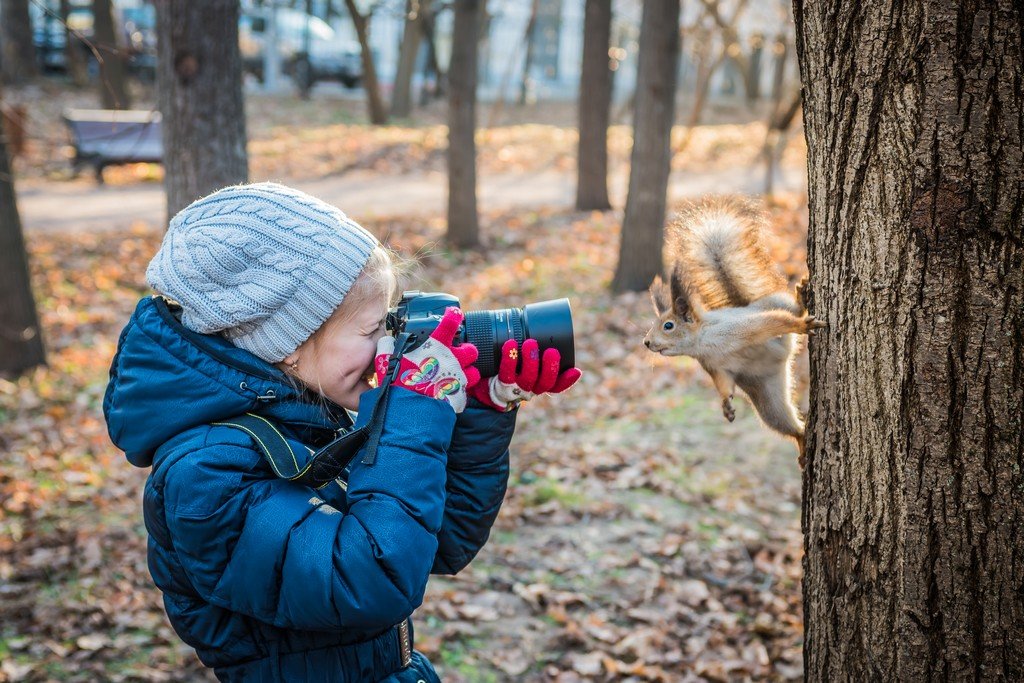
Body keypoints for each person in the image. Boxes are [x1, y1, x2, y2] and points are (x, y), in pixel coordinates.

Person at [102, 182, 581, 682]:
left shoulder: (301, 418)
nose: (387, 349)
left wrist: (482, 407)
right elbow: (371, 578)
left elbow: (438, 542)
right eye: (373, 329)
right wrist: (412, 413)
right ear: (287, 342)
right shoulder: (203, 474)